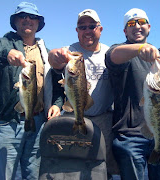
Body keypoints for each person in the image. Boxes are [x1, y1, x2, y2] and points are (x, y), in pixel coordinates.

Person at [0, 2, 64, 179]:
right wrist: (5, 54)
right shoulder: (2, 43)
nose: (27, 20)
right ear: (15, 22)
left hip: (38, 124)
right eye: (22, 17)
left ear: (38, 23)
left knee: (33, 175)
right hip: (8, 123)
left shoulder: (45, 52)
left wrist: (57, 104)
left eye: (32, 17)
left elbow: (58, 86)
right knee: (4, 176)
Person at [105, 8, 160, 180]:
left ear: (149, 27)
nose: (137, 26)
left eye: (141, 22)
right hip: (130, 138)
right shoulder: (120, 51)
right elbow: (112, 56)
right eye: (131, 24)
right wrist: (140, 48)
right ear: (125, 31)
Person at [48, 9, 117, 178]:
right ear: (77, 31)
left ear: (100, 29)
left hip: (104, 119)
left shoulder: (110, 54)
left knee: (104, 165)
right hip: (74, 116)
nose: (87, 31)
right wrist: (55, 55)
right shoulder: (71, 51)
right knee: (75, 165)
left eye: (92, 26)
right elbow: (53, 58)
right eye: (82, 27)